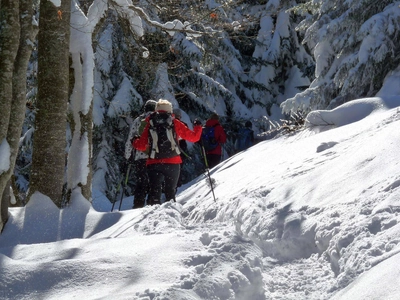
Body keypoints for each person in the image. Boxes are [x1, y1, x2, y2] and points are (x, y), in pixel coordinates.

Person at [133, 99, 202, 205]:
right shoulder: (174, 123)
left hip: (154, 162)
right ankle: (170, 215)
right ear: (170, 111)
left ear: (156, 111)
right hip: (173, 162)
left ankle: (152, 217)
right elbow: (194, 138)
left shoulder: (150, 123)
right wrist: (198, 127)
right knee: (170, 192)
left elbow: (141, 146)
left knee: (154, 193)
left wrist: (134, 141)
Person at [124, 99, 156, 209]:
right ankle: (152, 204)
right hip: (155, 156)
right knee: (154, 182)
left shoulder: (138, 120)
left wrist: (128, 155)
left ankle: (138, 205)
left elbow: (130, 138)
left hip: (140, 156)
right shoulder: (158, 119)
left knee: (141, 182)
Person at [173, 108, 189, 189]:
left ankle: (171, 187)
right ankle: (178, 185)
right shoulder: (183, 124)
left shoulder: (169, 124)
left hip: (171, 149)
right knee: (179, 168)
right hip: (181, 149)